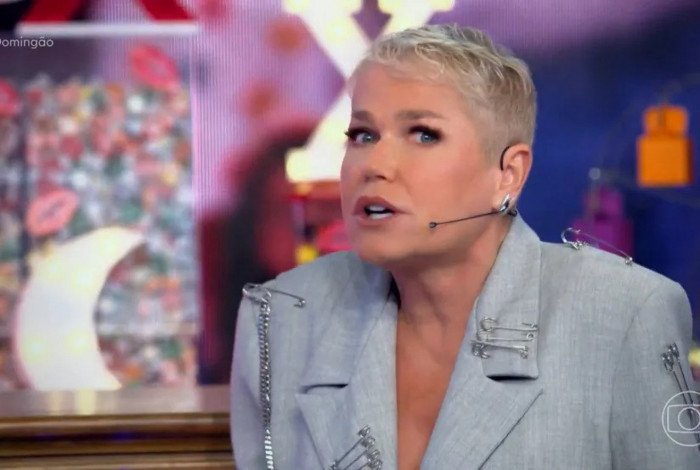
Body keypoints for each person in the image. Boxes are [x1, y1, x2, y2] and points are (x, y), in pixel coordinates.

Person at [230, 24, 700, 469]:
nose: (374, 164)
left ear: (508, 174)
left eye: (424, 134)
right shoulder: (280, 317)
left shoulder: (625, 313)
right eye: (363, 135)